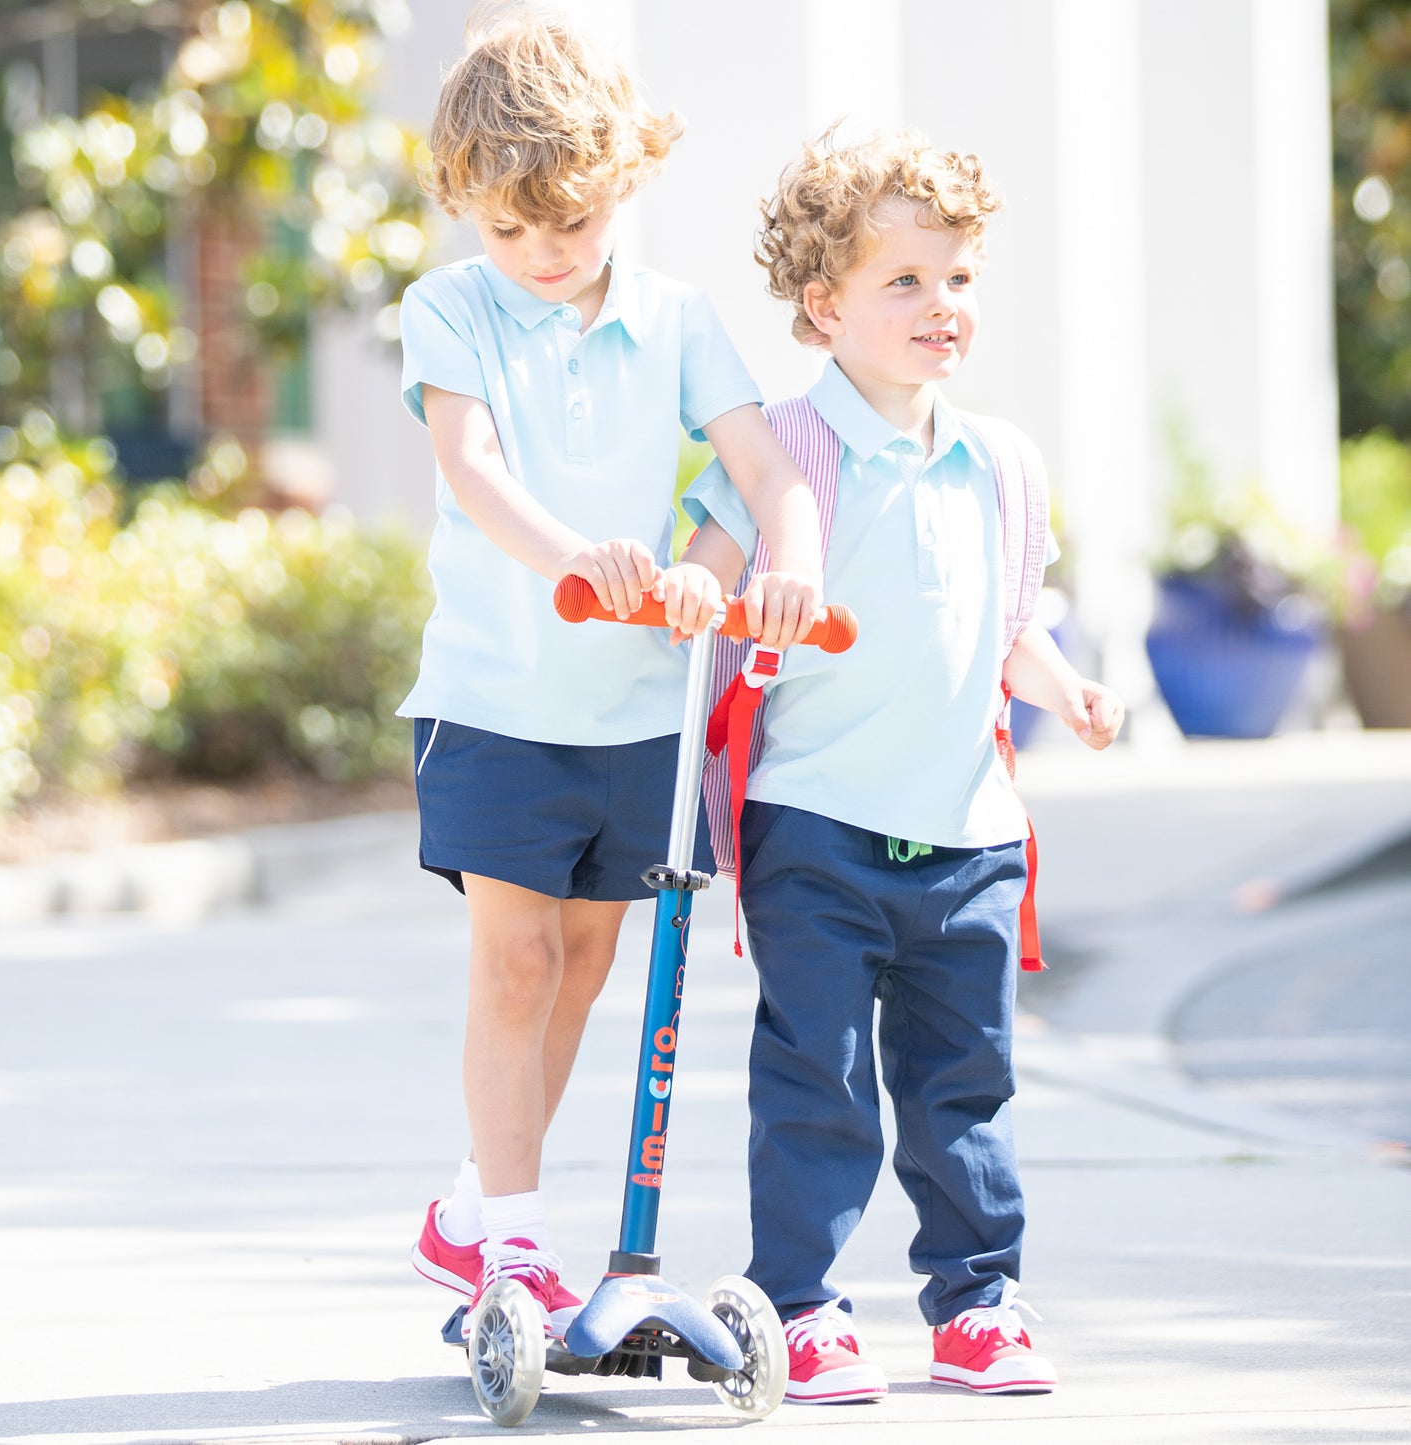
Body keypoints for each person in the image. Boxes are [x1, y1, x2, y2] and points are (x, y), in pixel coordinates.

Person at [397, 5, 824, 1340]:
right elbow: (472, 471)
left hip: (642, 712)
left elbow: (762, 471)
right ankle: (514, 1246)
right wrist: (584, 557)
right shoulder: (451, 307)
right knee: (514, 965)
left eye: (567, 227)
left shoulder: (678, 319)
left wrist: (783, 558)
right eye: (508, 227)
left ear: (622, 184)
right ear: (470, 206)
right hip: (497, 702)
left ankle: (471, 1208)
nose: (537, 255)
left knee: (584, 970)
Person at [681, 129, 1124, 1402]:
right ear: (823, 307)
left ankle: (977, 1299)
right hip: (813, 823)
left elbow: (1009, 628)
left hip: (967, 829)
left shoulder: (1001, 462)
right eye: (905, 281)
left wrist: (1066, 687)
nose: (942, 307)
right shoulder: (781, 450)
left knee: (962, 1086)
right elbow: (700, 589)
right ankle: (802, 1302)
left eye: (960, 278)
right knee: (815, 1079)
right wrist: (714, 599)